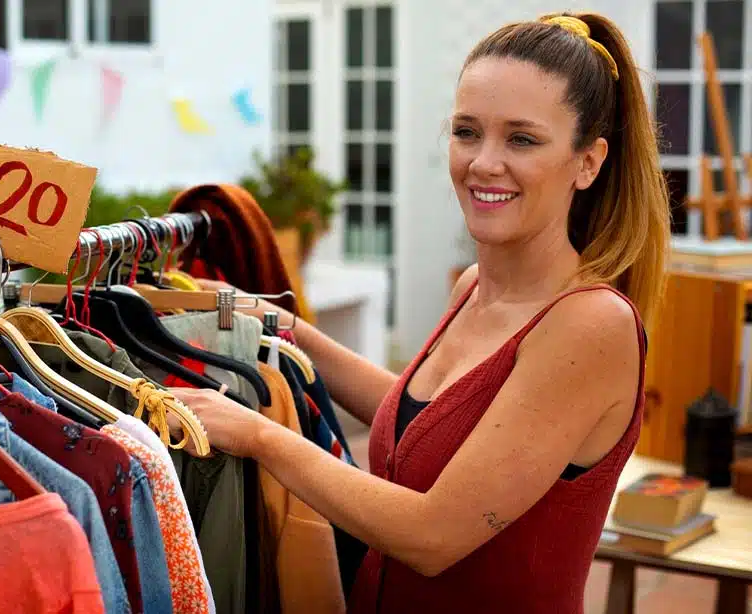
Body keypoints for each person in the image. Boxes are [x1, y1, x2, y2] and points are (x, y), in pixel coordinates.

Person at [169, 11, 670, 613]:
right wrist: (279, 327)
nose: (484, 162)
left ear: (588, 162)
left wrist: (259, 435)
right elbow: (429, 431)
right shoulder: (472, 287)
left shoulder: (590, 324)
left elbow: (433, 535)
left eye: (522, 139)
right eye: (466, 131)